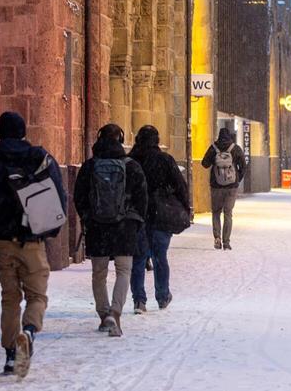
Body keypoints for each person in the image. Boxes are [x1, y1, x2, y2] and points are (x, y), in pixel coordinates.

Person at [0, 111, 66, 376]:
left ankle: (10, 355)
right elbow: (59, 195)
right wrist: (50, 228)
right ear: (23, 132)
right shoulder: (40, 158)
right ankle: (29, 332)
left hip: (2, 242)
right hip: (32, 239)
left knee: (10, 298)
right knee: (37, 296)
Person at [74, 124, 148, 337]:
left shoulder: (90, 167)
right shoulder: (131, 166)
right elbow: (142, 198)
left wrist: (88, 217)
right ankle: (116, 312)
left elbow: (79, 197)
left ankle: (103, 313)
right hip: (124, 227)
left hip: (98, 226)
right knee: (124, 270)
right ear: (121, 139)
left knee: (99, 273)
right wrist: (136, 221)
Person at [128, 125, 190, 313]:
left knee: (138, 259)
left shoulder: (131, 161)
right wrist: (184, 208)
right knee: (160, 257)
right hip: (160, 215)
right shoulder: (165, 160)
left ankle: (139, 300)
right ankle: (162, 296)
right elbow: (181, 186)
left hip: (137, 215)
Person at [201, 127, 246, 250]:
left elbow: (204, 164)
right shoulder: (235, 149)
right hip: (231, 187)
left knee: (216, 212)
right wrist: (237, 180)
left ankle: (217, 238)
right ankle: (226, 242)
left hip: (216, 186)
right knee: (228, 214)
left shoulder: (213, 148)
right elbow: (243, 166)